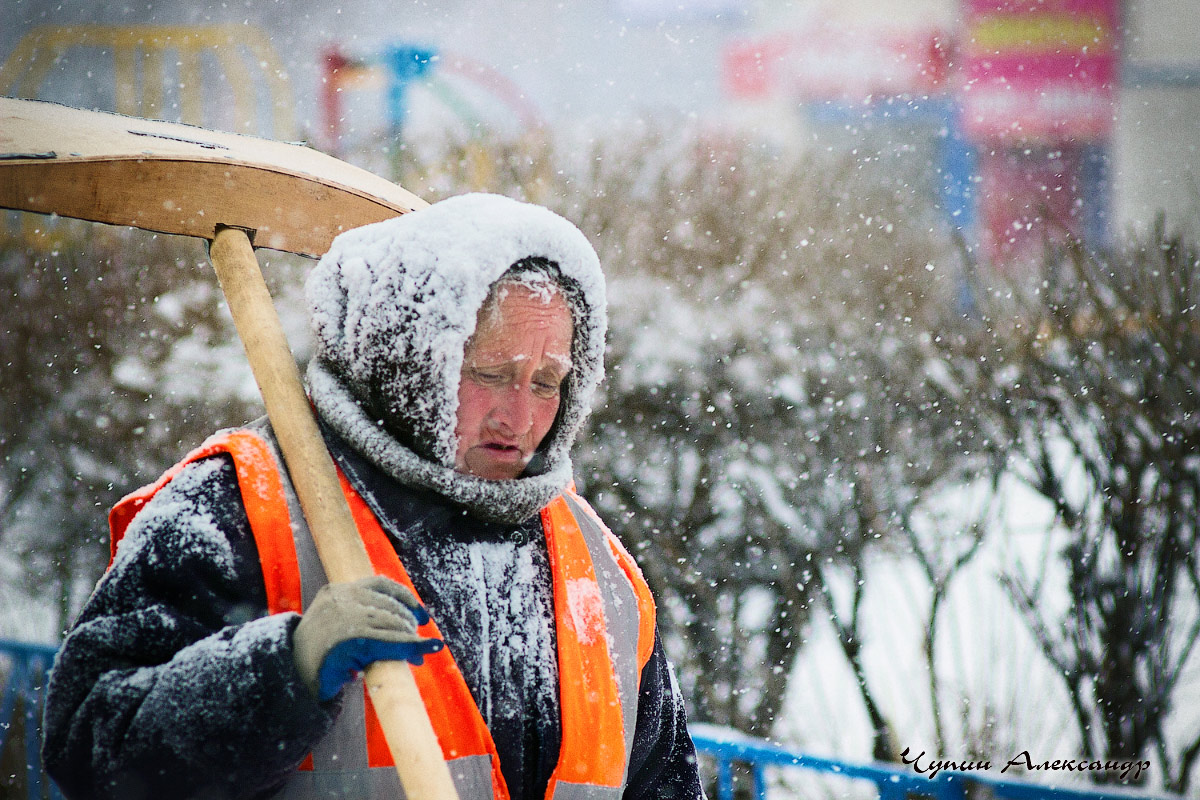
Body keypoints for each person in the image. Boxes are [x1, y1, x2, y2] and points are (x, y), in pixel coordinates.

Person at [42, 193, 705, 800]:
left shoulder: (599, 573)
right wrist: (280, 673)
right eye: (488, 373)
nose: (520, 417)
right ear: (411, 362)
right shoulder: (242, 510)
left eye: (547, 382)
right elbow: (90, 745)